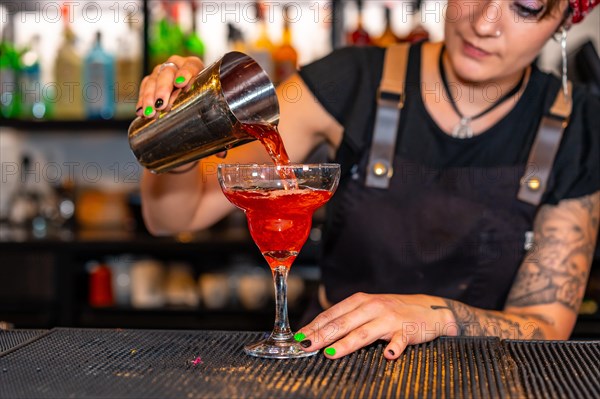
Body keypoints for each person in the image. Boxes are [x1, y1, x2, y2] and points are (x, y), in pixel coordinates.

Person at [136, 0, 600, 360]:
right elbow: (176, 214)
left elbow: (545, 323)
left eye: (526, 6)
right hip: (328, 367)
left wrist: (436, 317)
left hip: (482, 375)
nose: (484, 23)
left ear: (563, 20)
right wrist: (181, 127)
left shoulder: (578, 125)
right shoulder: (348, 78)